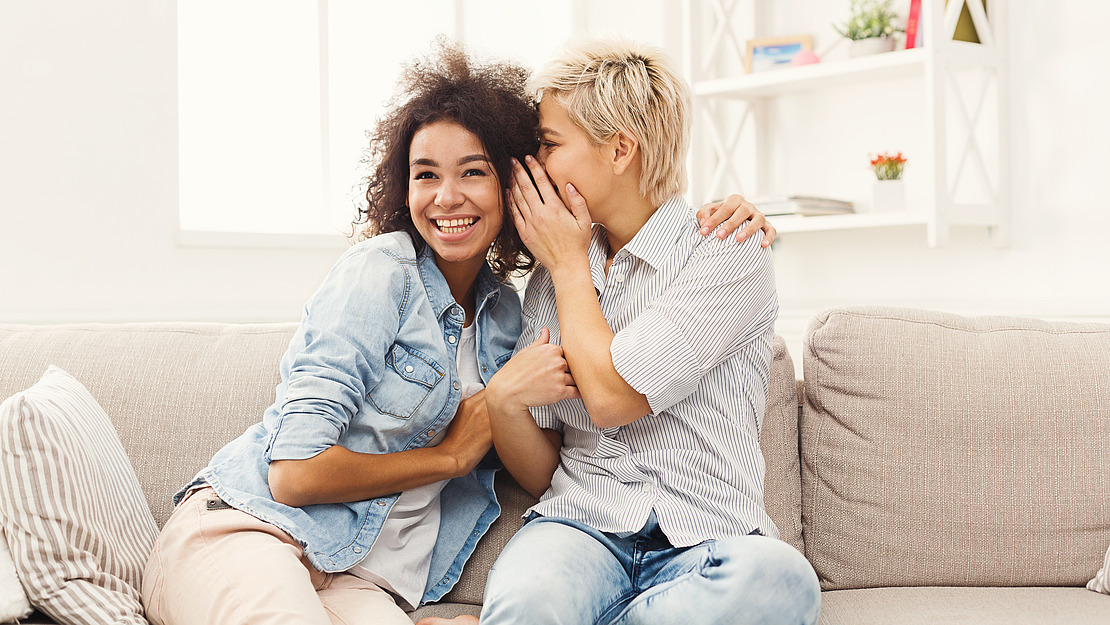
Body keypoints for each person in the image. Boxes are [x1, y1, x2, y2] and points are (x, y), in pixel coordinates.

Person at [140, 38, 774, 625]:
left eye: (475, 171)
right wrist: (456, 448)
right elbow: (292, 476)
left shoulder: (514, 306)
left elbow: (571, 432)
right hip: (253, 530)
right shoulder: (383, 273)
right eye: (425, 175)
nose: (448, 196)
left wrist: (511, 386)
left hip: (360, 578)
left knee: (776, 583)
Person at [420, 37, 821, 625]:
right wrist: (505, 402)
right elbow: (543, 469)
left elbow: (612, 398)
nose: (532, 165)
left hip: (710, 542)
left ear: (619, 150)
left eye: (550, 144)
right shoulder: (547, 283)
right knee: (530, 598)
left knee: (783, 582)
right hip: (580, 531)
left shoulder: (727, 255)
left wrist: (568, 267)